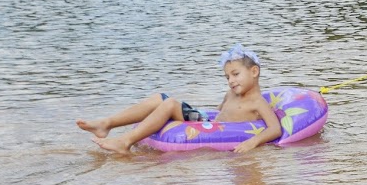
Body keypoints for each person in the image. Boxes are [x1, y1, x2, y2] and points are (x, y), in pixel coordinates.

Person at [77, 44, 282, 154]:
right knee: (160, 97)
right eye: (227, 77)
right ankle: (106, 123)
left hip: (209, 126)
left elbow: (275, 129)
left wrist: (253, 142)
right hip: (206, 122)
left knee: (170, 104)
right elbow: (218, 113)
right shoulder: (231, 94)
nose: (231, 80)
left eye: (235, 74)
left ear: (254, 71)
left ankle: (125, 141)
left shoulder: (257, 102)